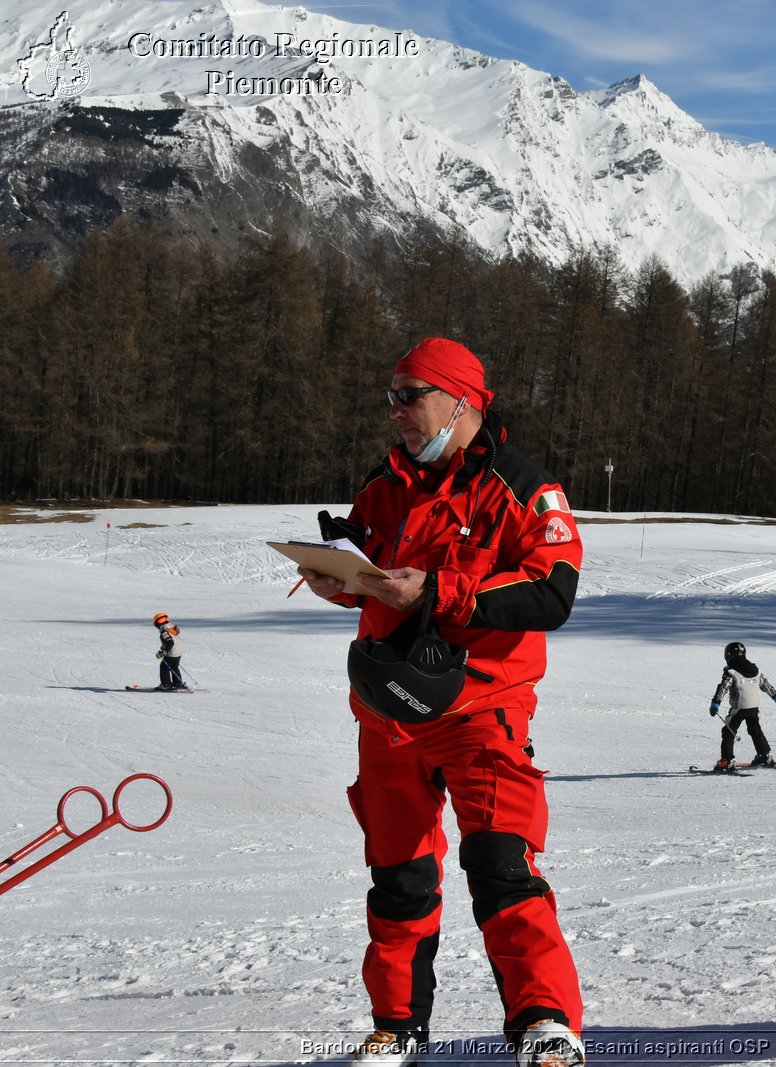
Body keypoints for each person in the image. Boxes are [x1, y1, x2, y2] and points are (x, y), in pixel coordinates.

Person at [297, 338, 586, 1067]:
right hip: (388, 714)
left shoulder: (524, 488)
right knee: (398, 877)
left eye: (409, 394)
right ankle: (397, 1026)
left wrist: (436, 590)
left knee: (501, 865)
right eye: (390, 394)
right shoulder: (385, 483)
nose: (395, 410)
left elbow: (553, 591)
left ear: (462, 400)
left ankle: (544, 1022)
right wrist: (340, 580)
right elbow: (369, 564)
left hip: (481, 711)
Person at [708, 641, 776, 772]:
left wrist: (715, 704)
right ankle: (764, 755)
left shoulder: (731, 671)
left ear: (728, 656)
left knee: (728, 731)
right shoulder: (756, 670)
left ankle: (726, 761)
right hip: (754, 706)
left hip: (739, 706)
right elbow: (766, 685)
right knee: (755, 729)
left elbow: (723, 687)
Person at [151, 612, 187, 691]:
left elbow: (170, 642)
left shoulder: (164, 631)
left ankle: (166, 685)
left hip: (171, 652)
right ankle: (178, 684)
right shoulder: (171, 627)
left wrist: (164, 652)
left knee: (164, 667)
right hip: (178, 652)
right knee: (174, 666)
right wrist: (163, 649)